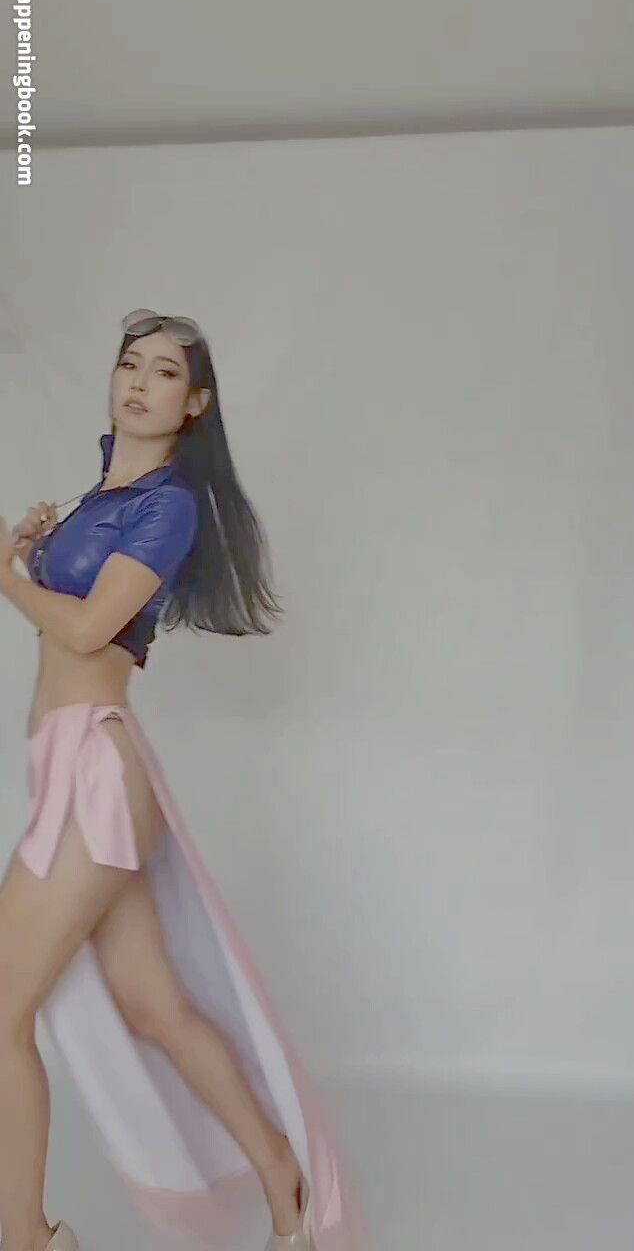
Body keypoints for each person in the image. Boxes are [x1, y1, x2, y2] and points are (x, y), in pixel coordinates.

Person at [0, 311, 364, 1251]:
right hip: (72, 766)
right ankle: (284, 1180)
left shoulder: (169, 506)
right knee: (153, 1004)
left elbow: (87, 631)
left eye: (165, 372)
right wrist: (36, 548)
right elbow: (70, 606)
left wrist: (6, 574)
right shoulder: (102, 496)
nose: (139, 382)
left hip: (94, 770)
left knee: (2, 1011)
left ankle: (28, 1238)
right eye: (130, 364)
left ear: (194, 402)